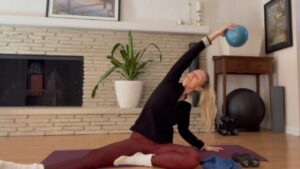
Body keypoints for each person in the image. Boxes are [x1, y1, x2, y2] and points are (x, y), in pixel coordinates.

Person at [0, 23, 235, 169]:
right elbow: (189, 55)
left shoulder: (184, 108)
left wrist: (204, 145)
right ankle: (33, 168)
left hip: (159, 148)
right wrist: (215, 34)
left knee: (192, 158)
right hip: (138, 140)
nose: (191, 75)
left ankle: (138, 161)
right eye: (193, 72)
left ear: (199, 88)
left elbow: (184, 132)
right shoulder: (170, 82)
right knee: (92, 158)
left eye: (197, 77)